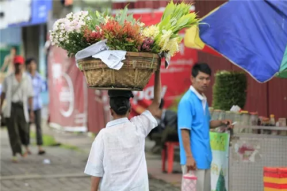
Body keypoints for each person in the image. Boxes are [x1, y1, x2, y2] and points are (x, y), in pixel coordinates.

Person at [84, 69, 161, 191]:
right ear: (130, 110)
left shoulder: (103, 135)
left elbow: (96, 171)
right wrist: (157, 71)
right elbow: (156, 103)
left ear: (111, 111)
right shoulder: (139, 126)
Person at [177, 63, 232, 191]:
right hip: (193, 160)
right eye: (201, 78)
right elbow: (184, 130)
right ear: (192, 79)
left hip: (205, 157)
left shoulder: (203, 99)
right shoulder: (187, 101)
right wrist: (189, 157)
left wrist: (222, 122)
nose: (205, 82)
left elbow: (205, 123)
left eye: (207, 79)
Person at [0, 56, 34, 163]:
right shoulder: (8, 79)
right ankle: (15, 153)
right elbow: (3, 94)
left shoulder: (26, 78)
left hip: (22, 107)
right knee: (12, 131)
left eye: (20, 64)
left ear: (22, 65)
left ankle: (23, 146)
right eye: (16, 64)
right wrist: (0, 108)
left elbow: (30, 95)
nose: (18, 66)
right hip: (11, 107)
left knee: (24, 129)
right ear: (14, 65)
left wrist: (31, 110)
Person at [26, 58, 46, 155]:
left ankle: (40, 147)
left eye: (33, 63)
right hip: (26, 106)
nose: (31, 65)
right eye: (29, 64)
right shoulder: (25, 77)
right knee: (27, 127)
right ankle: (27, 147)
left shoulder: (39, 77)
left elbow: (42, 89)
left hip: (37, 104)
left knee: (38, 126)